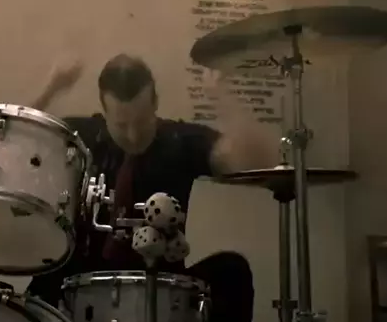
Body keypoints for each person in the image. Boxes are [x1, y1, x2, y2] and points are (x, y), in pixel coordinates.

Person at [26, 53, 279, 322]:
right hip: (84, 284)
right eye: (122, 125)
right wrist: (52, 87)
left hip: (161, 283)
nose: (133, 135)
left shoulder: (179, 140)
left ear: (155, 103)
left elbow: (257, 162)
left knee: (232, 271)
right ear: (104, 112)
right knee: (43, 278)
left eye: (142, 122)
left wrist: (224, 99)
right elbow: (14, 144)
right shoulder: (83, 136)